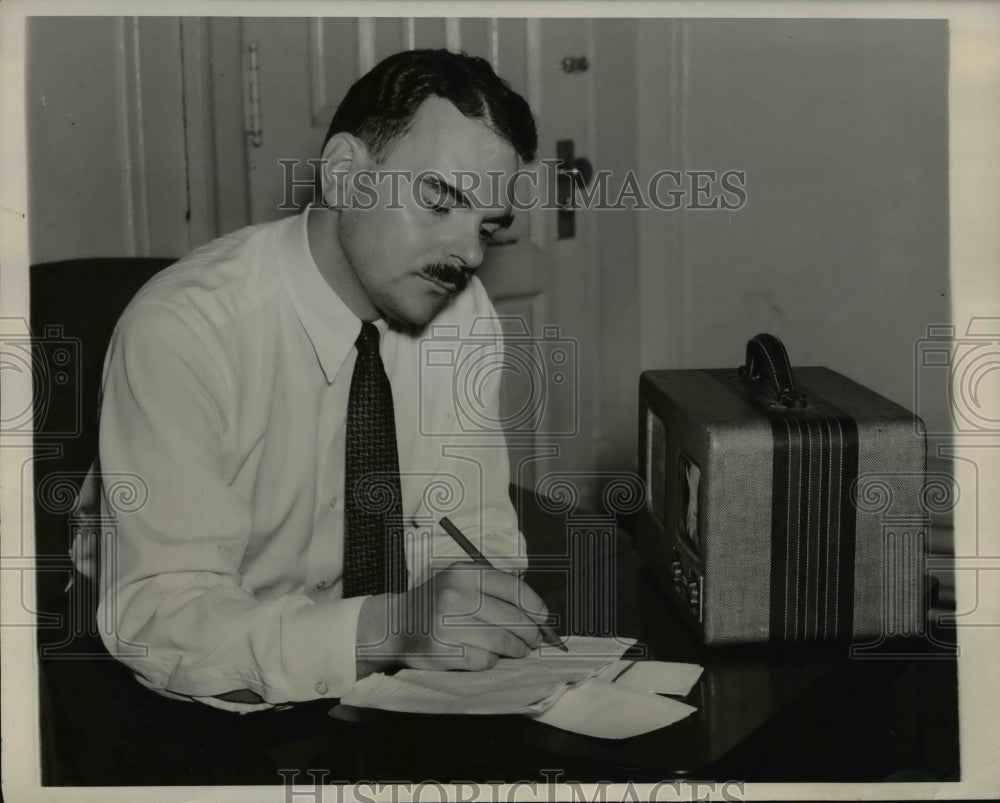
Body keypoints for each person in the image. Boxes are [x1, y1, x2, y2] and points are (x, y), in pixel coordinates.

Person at [71, 48, 550, 730]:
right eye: (441, 202)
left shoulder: (461, 313)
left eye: (486, 228)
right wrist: (391, 626)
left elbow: (468, 525)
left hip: (376, 678)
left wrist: (473, 601)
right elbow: (164, 620)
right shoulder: (184, 328)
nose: (469, 254)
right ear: (344, 172)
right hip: (164, 687)